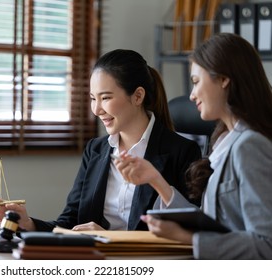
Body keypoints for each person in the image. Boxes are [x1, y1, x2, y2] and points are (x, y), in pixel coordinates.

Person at [0, 49, 201, 232]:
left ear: (138, 96)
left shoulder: (182, 152)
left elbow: (187, 232)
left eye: (106, 98)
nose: (97, 109)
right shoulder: (96, 150)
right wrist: (29, 224)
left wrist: (110, 241)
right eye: (93, 98)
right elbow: (69, 223)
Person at [115, 33, 272, 259]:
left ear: (223, 79)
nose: (191, 95)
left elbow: (266, 247)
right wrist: (155, 179)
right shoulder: (224, 142)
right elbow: (213, 224)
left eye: (196, 82)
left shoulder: (250, 145)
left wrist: (189, 238)